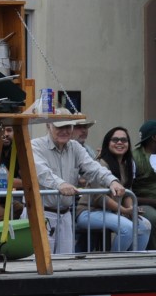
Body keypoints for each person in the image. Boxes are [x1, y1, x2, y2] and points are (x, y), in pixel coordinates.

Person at [32, 109, 125, 254]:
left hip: (65, 215)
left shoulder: (75, 147)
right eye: (59, 127)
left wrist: (112, 181)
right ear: (48, 126)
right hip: (40, 215)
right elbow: (42, 172)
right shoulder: (35, 145)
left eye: (68, 126)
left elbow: (93, 167)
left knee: (66, 264)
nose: (64, 131)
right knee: (40, 265)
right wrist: (60, 184)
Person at [75, 127, 151, 251]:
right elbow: (100, 198)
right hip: (88, 212)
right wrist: (125, 210)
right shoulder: (100, 164)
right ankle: (115, 262)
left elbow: (127, 193)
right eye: (115, 140)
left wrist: (131, 209)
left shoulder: (127, 164)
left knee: (145, 226)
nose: (120, 143)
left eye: (123, 140)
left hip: (112, 212)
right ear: (107, 143)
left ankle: (131, 264)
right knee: (127, 228)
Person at [129, 120, 156, 249]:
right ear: (154, 137)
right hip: (141, 203)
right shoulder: (134, 158)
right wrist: (152, 201)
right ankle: (152, 255)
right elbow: (128, 191)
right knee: (152, 217)